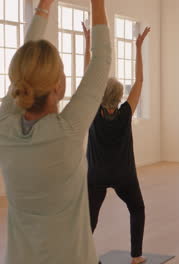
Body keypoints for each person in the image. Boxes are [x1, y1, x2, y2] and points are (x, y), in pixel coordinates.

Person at [0, 0, 111, 263]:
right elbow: (102, 59)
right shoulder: (67, 130)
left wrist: (44, 5)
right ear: (57, 87)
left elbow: (100, 59)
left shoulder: (4, 125)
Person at [83, 21, 150, 264]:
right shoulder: (125, 112)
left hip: (96, 175)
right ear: (120, 96)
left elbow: (87, 78)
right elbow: (140, 81)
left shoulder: (91, 110)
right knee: (137, 209)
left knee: (89, 219)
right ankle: (136, 256)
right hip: (124, 175)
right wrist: (138, 47)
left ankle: (82, 255)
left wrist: (88, 43)